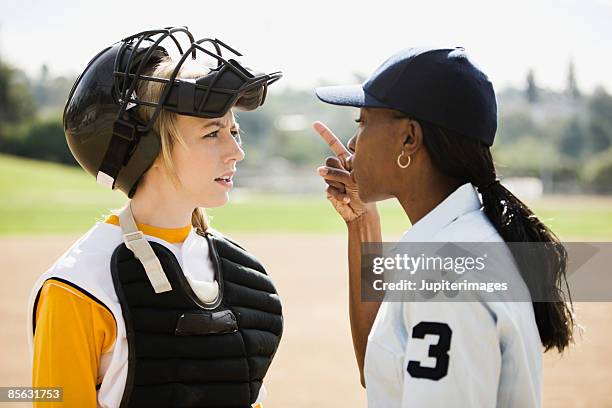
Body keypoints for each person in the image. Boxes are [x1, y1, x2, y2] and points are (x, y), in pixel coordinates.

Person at [26, 27, 283, 408]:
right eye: (212, 133)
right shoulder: (80, 287)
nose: (236, 152)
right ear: (151, 149)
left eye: (234, 131)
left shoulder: (243, 273)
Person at [313, 47, 574, 407]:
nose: (354, 142)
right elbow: (381, 373)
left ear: (409, 137)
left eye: (363, 121)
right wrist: (362, 224)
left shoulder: (447, 271)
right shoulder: (460, 240)